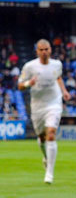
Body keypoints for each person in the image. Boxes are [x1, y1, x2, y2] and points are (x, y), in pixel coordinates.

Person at [17, 39, 69, 184]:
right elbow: (20, 86)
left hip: (54, 103)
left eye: (46, 49)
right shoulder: (29, 67)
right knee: (41, 137)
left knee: (51, 134)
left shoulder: (57, 64)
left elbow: (58, 78)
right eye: (41, 50)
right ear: (37, 52)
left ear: (50, 50)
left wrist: (64, 91)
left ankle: (49, 174)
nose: (44, 52)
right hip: (37, 106)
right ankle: (46, 157)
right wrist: (29, 83)